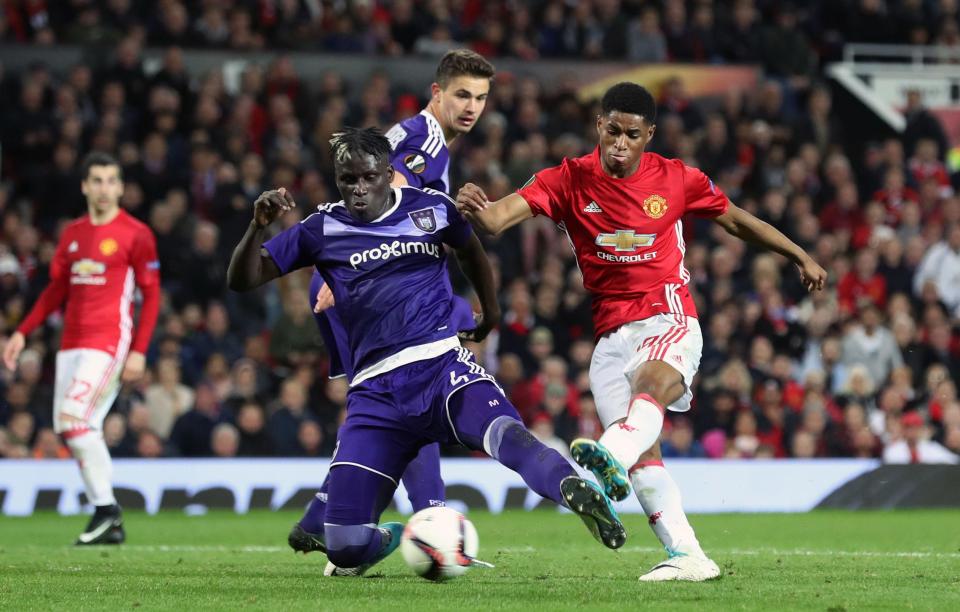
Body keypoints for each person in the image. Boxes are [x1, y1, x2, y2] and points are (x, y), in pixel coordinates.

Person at [456, 82, 827, 581]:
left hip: (668, 314)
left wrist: (798, 254)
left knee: (647, 394)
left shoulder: (677, 178)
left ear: (649, 134)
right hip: (610, 338)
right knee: (644, 456)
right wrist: (471, 206)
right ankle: (689, 555)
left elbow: (736, 222)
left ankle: (608, 453)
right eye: (612, 131)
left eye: (632, 134)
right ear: (599, 126)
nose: (620, 144)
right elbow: (496, 222)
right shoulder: (566, 179)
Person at [228, 127, 625, 576]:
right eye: (348, 179)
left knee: (504, 433)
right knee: (344, 547)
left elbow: (470, 251)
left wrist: (490, 313)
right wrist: (256, 227)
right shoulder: (321, 228)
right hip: (374, 396)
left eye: (369, 177)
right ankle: (395, 535)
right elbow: (244, 279)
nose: (358, 189)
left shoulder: (431, 209)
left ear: (389, 173)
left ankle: (571, 485)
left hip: (438, 365)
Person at [290, 49, 496, 555]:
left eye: (481, 98)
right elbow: (391, 196)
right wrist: (337, 278)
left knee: (398, 396)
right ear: (437, 93)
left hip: (369, 282)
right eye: (462, 95)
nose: (472, 107)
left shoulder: (427, 141)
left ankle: (322, 514)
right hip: (369, 285)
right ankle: (434, 517)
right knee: (416, 388)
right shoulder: (424, 140)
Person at [2, 152, 160, 545]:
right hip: (70, 343)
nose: (104, 188)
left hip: (108, 341)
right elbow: (57, 289)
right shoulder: (72, 233)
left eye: (111, 181)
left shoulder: (135, 233)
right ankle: (109, 519)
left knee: (74, 421)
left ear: (121, 188)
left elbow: (152, 295)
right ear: (84, 186)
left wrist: (139, 349)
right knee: (74, 427)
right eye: (97, 180)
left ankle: (107, 510)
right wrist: (22, 331)